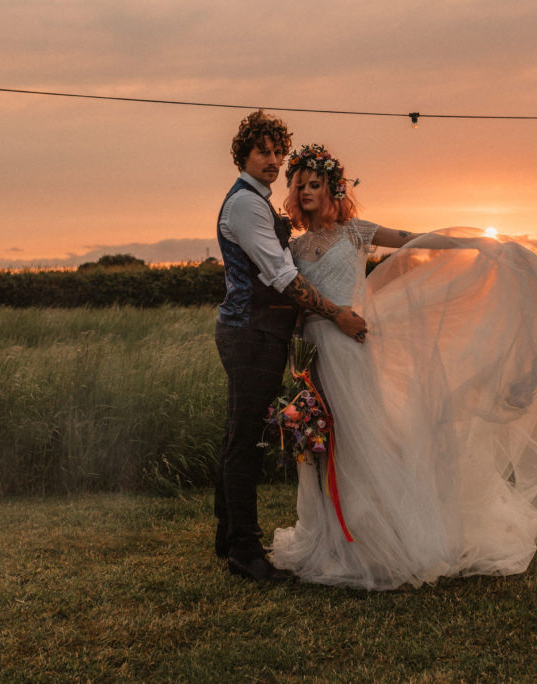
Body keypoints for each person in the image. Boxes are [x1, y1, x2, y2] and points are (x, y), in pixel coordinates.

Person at [268, 143, 537, 590]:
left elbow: (411, 240)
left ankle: (373, 539)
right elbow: (291, 295)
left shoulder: (356, 232)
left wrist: (476, 243)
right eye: (298, 184)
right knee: (323, 444)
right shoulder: (294, 245)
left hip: (353, 346)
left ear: (333, 188)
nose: (305, 190)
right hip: (313, 352)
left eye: (314, 183)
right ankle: (329, 539)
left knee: (362, 442)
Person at [214, 114, 368, 583]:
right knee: (245, 440)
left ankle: (228, 536)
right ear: (244, 155)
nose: (274, 161)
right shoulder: (245, 206)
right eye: (264, 152)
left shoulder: (259, 204)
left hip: (262, 332)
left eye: (279, 153)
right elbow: (281, 277)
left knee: (237, 434)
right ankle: (244, 549)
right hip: (250, 331)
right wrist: (337, 313)